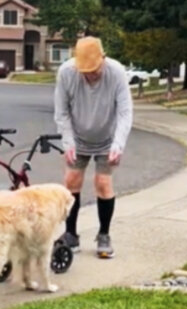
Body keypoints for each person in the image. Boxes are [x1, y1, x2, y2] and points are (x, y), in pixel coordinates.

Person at [54, 36, 133, 259]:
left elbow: (125, 112)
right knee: (71, 183)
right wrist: (68, 142)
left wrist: (118, 144)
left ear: (103, 59)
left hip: (107, 139)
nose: (90, 75)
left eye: (94, 70)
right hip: (77, 138)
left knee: (103, 183)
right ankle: (70, 234)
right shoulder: (66, 73)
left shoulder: (116, 73)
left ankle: (104, 234)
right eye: (85, 71)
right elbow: (61, 112)